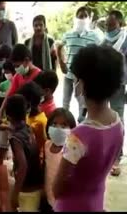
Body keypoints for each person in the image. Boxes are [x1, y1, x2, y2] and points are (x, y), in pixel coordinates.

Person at [53, 45, 124, 212]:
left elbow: (57, 189)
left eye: (77, 79)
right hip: (96, 202)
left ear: (82, 85)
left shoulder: (78, 136)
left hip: (71, 206)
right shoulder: (118, 123)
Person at [57, 6, 102, 122]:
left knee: (82, 105)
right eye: (80, 16)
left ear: (89, 18)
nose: (82, 18)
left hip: (83, 78)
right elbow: (59, 47)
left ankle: (81, 128)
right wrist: (62, 63)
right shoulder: (68, 34)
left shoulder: (95, 36)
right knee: (65, 103)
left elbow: (100, 53)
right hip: (69, 75)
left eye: (85, 16)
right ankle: (64, 125)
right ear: (76, 18)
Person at [5, 95, 43, 212]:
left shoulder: (15, 139)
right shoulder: (28, 128)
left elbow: (23, 166)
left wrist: (14, 193)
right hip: (36, 184)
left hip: (27, 189)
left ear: (8, 117)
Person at [102, 10, 127, 176]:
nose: (109, 28)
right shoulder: (104, 41)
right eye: (107, 25)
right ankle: (106, 155)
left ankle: (117, 157)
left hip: (119, 85)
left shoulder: (125, 40)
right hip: (104, 84)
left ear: (120, 24)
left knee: (117, 119)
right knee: (103, 119)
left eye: (112, 25)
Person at [0, 44, 41, 126]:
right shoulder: (18, 76)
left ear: (26, 60)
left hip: (33, 119)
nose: (16, 69)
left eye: (17, 66)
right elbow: (9, 95)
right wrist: (0, 113)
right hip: (20, 116)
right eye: (14, 66)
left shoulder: (38, 75)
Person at [44, 108, 76, 210]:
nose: (58, 128)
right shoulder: (47, 145)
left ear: (71, 129)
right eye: (54, 124)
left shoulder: (71, 151)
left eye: (63, 125)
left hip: (64, 202)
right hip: (49, 197)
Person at [17, 82, 48, 165]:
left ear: (29, 103)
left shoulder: (41, 122)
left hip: (33, 162)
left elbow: (43, 146)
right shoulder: (28, 115)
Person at [0, 61, 15, 164]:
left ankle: (8, 158)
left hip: (13, 116)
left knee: (12, 139)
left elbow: (11, 95)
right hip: (3, 115)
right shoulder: (4, 83)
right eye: (4, 71)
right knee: (1, 140)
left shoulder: (17, 81)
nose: (6, 73)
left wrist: (3, 94)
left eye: (7, 71)